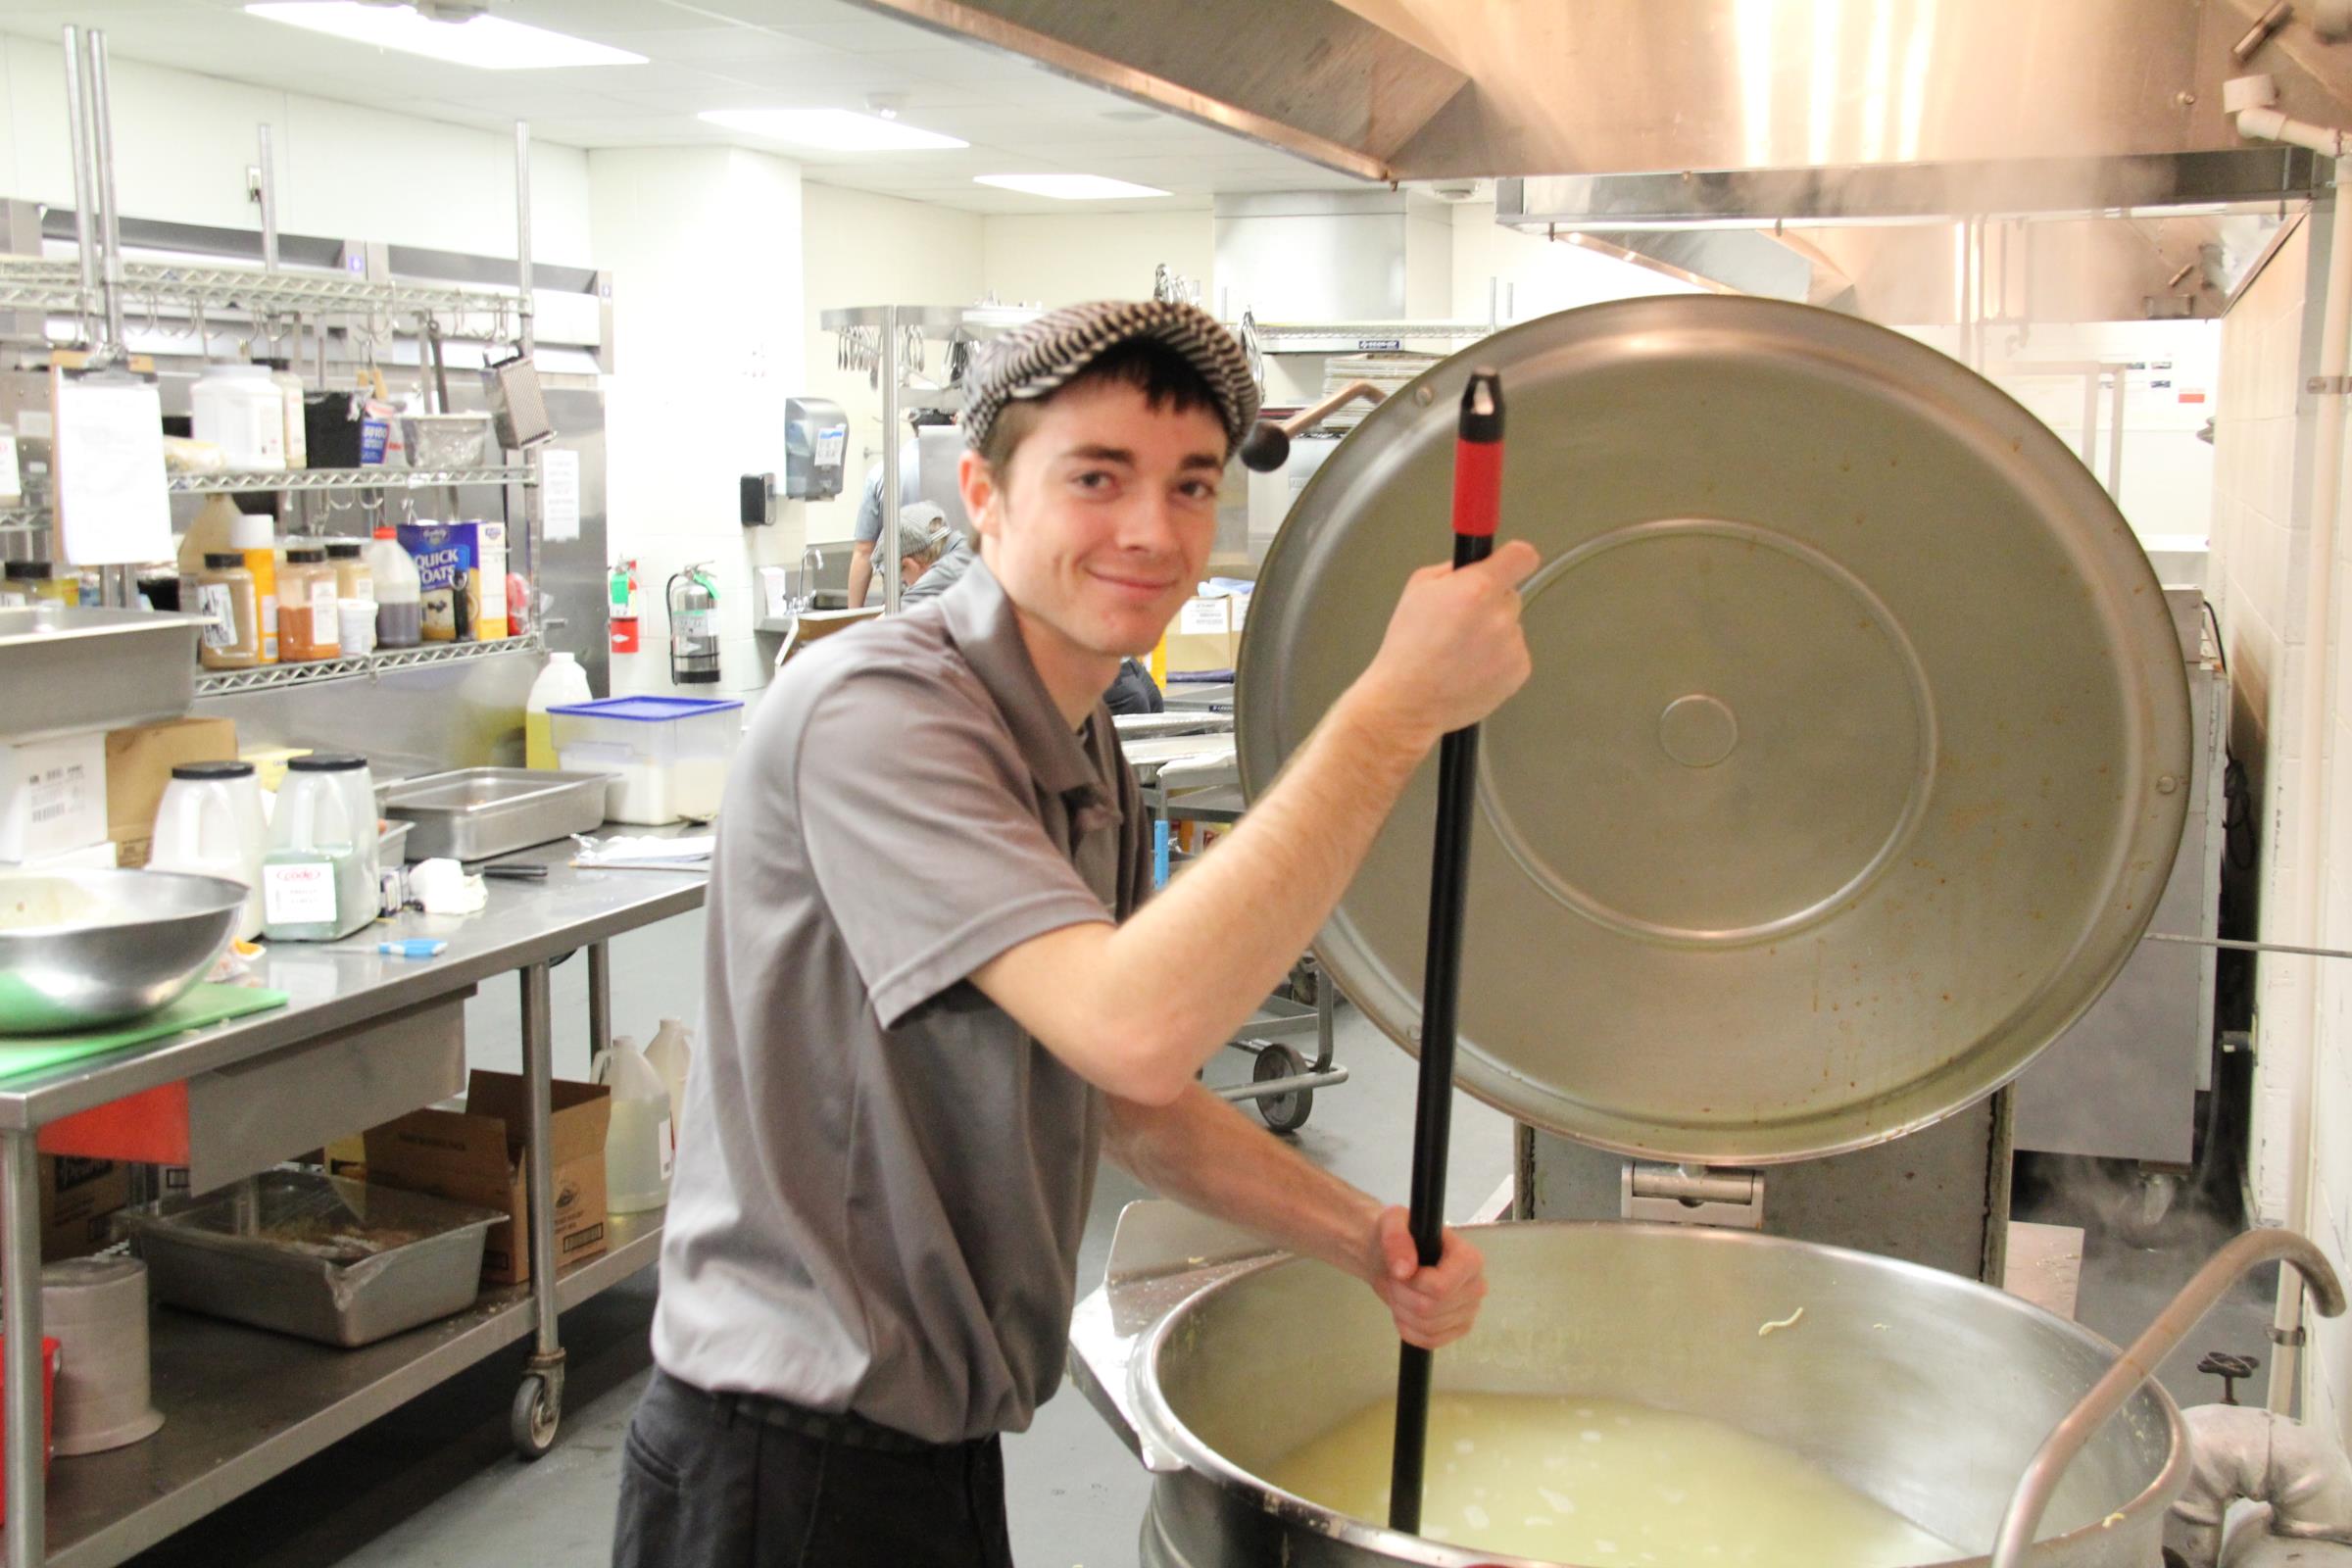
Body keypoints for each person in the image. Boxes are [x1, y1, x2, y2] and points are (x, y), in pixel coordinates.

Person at [616, 299, 1538, 1568]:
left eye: (1193, 484)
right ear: (984, 493)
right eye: (1097, 477)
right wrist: (1388, 715)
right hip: (785, 1469)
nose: (1154, 531)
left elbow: (1116, 1094)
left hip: (929, 1452)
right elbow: (1138, 1029)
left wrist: (1362, 1240)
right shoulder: (877, 714)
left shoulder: (1074, 737)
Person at [847, 410, 954, 609]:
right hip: (954, 603)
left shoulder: (881, 473)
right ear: (952, 420)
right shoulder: (967, 469)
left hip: (901, 602)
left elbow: (863, 551)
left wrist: (852, 616)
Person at [894, 500, 978, 605]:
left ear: (910, 564)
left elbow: (889, 618)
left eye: (904, 579)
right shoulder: (964, 549)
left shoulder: (947, 571)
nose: (906, 585)